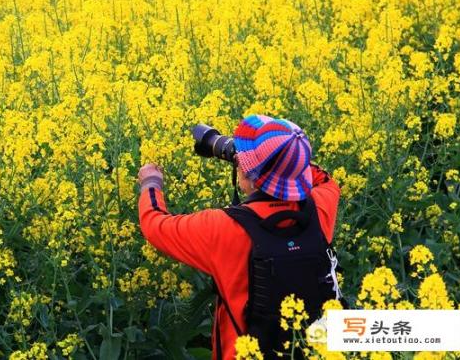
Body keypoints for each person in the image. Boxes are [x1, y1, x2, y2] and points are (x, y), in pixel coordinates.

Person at [137, 114, 341, 359]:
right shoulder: (321, 207)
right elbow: (318, 175)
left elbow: (155, 225)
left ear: (248, 173)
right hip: (315, 351)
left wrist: (151, 182)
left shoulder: (223, 227)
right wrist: (282, 154)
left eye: (244, 159)